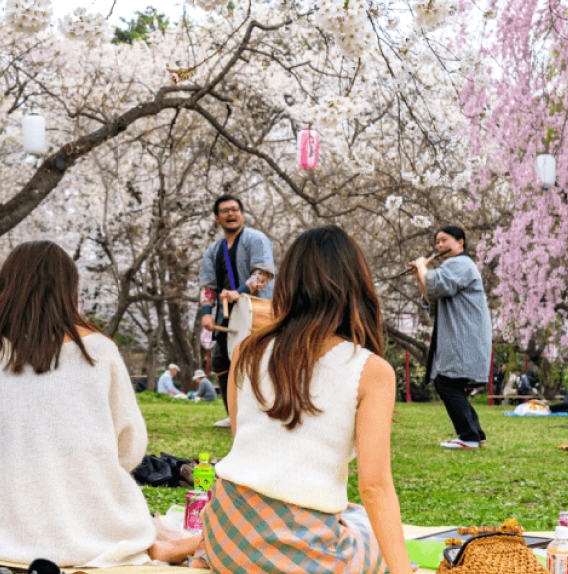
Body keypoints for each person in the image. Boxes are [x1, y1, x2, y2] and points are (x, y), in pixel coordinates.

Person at [150, 226, 412, 574]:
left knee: (344, 512)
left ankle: (183, 547)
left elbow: (244, 444)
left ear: (287, 282)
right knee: (368, 530)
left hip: (227, 532)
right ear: (356, 285)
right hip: (303, 552)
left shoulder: (245, 349)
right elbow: (375, 487)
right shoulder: (371, 370)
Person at [0, 241, 156, 568]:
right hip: (92, 516)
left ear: (5, 288)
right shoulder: (99, 349)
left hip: (5, 513)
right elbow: (131, 446)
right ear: (69, 288)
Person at [410, 226, 492, 450]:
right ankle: (475, 433)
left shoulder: (460, 264)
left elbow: (435, 285)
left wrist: (421, 267)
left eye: (444, 240)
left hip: (463, 336)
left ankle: (469, 436)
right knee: (448, 381)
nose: (439, 246)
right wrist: (421, 274)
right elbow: (431, 293)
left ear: (460, 243)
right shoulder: (456, 266)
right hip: (462, 335)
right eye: (436, 242)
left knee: (446, 381)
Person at [198, 194, 276, 428]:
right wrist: (207, 313)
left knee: (256, 364)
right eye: (225, 211)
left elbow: (264, 273)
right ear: (216, 217)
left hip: (258, 312)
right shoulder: (213, 251)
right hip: (227, 317)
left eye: (235, 209)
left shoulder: (255, 239)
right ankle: (234, 413)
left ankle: (262, 415)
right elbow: (208, 285)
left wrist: (239, 291)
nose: (231, 214)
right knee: (222, 364)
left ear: (242, 213)